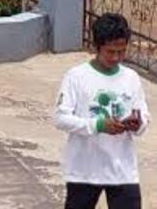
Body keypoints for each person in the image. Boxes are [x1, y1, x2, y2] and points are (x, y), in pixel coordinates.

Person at [55, 13, 149, 209]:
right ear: (96, 47)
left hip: (122, 170)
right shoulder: (76, 76)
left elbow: (143, 118)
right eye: (110, 52)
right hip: (84, 170)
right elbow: (61, 118)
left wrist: (136, 124)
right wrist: (97, 125)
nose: (116, 58)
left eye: (121, 52)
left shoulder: (131, 78)